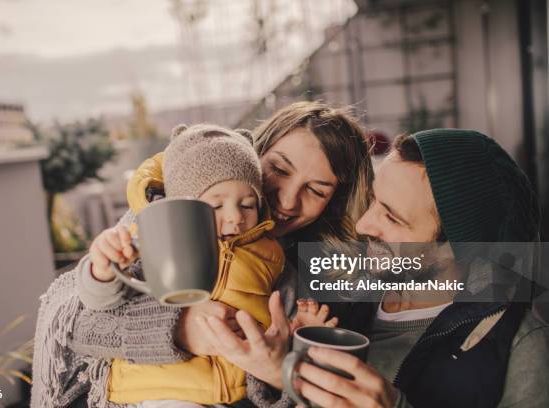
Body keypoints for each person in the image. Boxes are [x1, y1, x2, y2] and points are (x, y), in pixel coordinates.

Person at [30, 101, 374, 407]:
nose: (287, 200)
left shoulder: (328, 270)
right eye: (279, 170)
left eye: (316, 190)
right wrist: (178, 328)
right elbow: (76, 325)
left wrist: (278, 371)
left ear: (337, 200)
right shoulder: (171, 212)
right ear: (254, 155)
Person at [197, 129, 549, 408]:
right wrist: (277, 375)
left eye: (392, 217)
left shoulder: (518, 345)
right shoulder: (335, 285)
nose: (364, 224)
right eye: (373, 202)